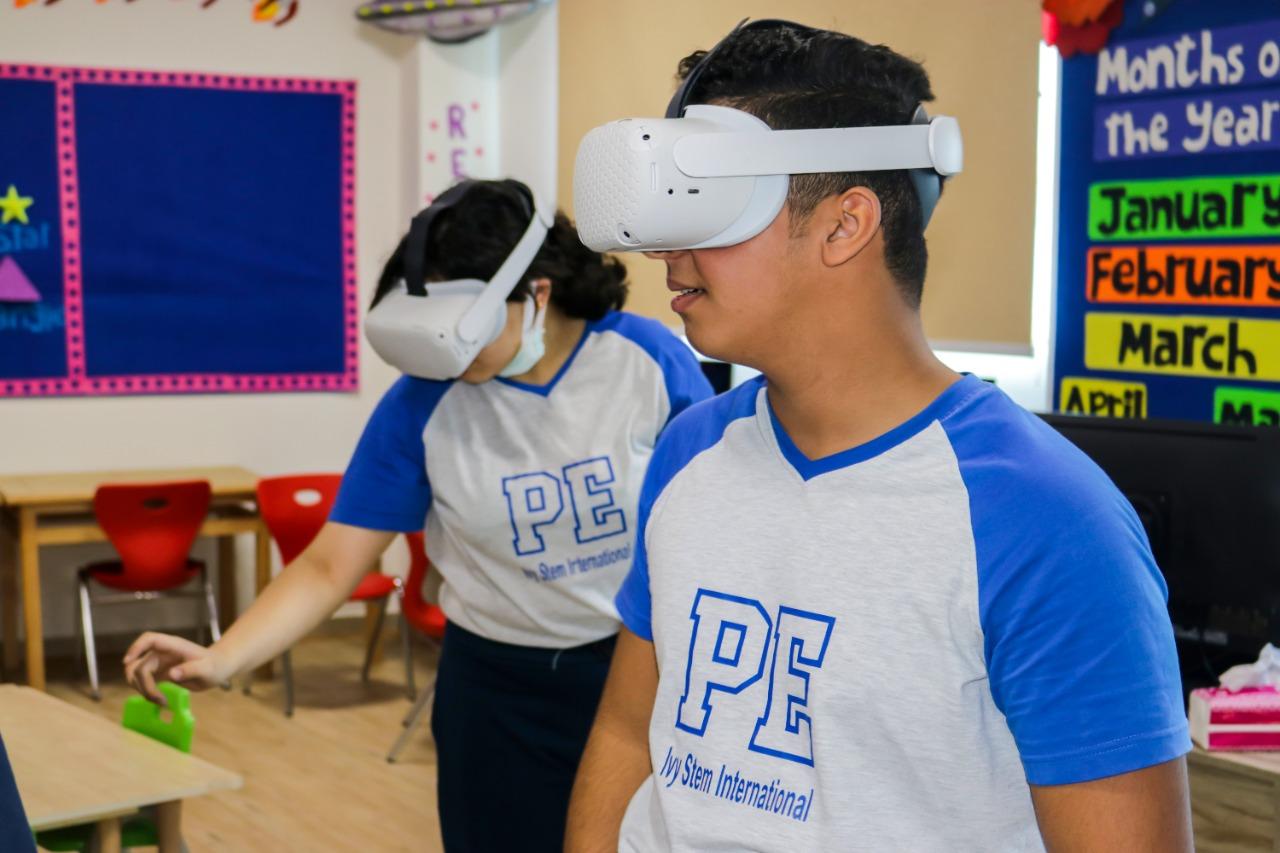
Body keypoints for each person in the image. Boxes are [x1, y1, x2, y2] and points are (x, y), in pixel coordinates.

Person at [565, 21, 1193, 852]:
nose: (668, 251)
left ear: (843, 225)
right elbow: (625, 729)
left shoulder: (1044, 518)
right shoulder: (690, 451)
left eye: (704, 206)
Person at [122, 178, 713, 852]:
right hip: (495, 692)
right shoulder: (424, 400)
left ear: (536, 294)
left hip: (635, 676)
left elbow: (708, 521)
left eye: (461, 337)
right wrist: (222, 655)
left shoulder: (646, 360)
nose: (449, 360)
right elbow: (329, 563)